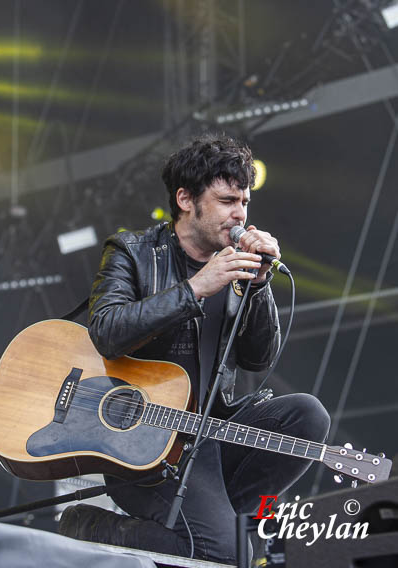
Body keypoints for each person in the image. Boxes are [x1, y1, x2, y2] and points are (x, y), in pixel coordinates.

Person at [59, 133, 330, 564]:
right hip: (142, 441)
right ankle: (96, 525)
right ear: (186, 199)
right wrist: (196, 288)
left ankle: (224, 532)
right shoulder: (131, 251)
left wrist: (258, 289)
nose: (240, 214)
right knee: (226, 554)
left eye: (244, 201)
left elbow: (259, 360)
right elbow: (107, 331)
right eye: (227, 201)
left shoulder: (240, 264)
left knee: (307, 414)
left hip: (208, 433)